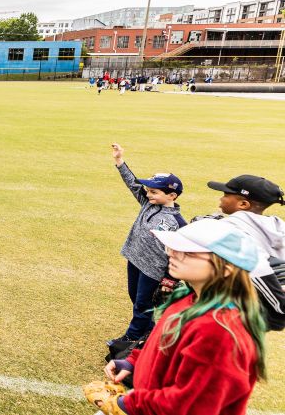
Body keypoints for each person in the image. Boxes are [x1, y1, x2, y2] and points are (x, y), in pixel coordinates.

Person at [85, 218, 267, 415]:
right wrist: (134, 361)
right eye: (173, 247)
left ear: (227, 268)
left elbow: (192, 405)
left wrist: (124, 405)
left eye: (187, 252)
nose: (171, 253)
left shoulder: (219, 330)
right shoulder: (191, 298)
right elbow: (163, 343)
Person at [109, 143, 187, 346]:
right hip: (135, 259)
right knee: (135, 296)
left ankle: (132, 337)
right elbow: (133, 184)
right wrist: (119, 160)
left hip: (153, 269)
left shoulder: (178, 223)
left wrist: (170, 279)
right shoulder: (147, 203)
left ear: (172, 195)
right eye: (148, 191)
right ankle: (149, 331)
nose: (149, 194)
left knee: (143, 303)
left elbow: (180, 252)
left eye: (154, 192)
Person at [206, 175, 285, 331]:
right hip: (262, 312)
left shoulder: (229, 227)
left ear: (243, 204)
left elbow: (258, 269)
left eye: (226, 195)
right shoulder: (277, 225)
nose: (221, 199)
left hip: (238, 311)